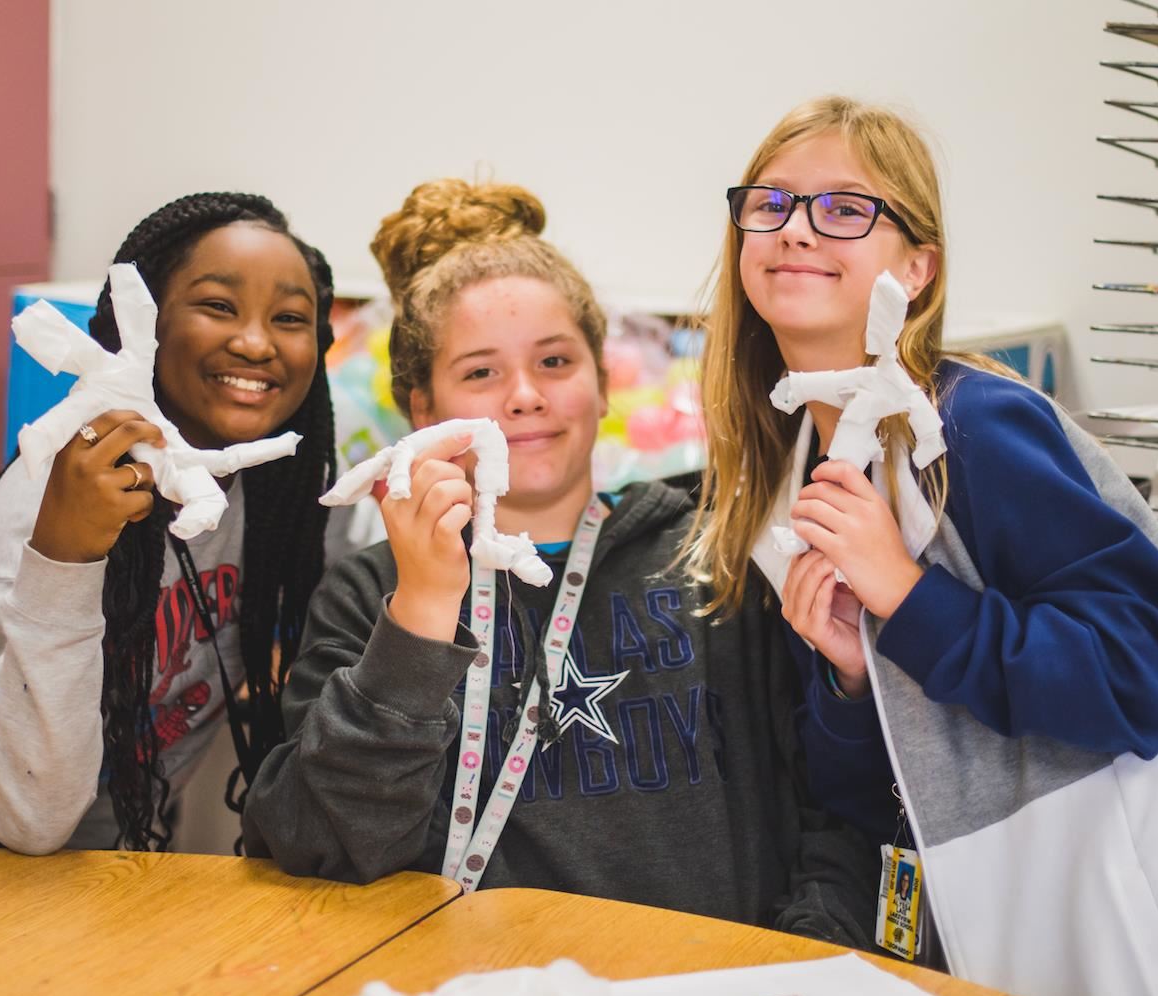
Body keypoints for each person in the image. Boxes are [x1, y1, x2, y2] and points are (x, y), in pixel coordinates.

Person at [684, 94, 1158, 996]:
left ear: (916, 268)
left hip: (1140, 932)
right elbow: (877, 798)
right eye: (772, 202)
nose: (796, 229)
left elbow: (1149, 677)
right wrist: (852, 678)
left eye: (844, 207)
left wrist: (911, 600)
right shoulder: (787, 481)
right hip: (981, 940)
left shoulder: (975, 427)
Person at [244, 179, 873, 939]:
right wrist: (420, 614)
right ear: (421, 409)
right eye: (479, 372)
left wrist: (802, 960)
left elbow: (840, 807)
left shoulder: (719, 555)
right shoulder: (369, 593)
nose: (524, 397)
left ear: (602, 383)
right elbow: (318, 842)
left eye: (554, 361)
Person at [0, 192, 347, 854]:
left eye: (289, 317)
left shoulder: (289, 496)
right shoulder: (44, 499)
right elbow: (29, 817)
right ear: (145, 321)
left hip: (106, 782)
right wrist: (64, 558)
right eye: (219, 305)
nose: (254, 341)